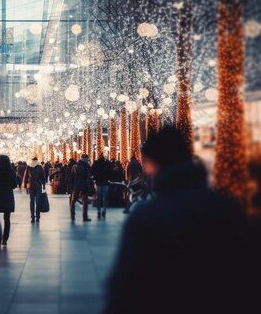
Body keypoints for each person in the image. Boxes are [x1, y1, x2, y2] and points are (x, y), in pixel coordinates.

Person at [105, 127, 249, 314]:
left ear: (156, 163)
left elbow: (127, 285)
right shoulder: (227, 207)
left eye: (147, 163)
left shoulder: (148, 216)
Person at [69, 154, 92, 222]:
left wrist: (72, 187)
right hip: (84, 185)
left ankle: (72, 215)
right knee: (84, 201)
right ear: (85, 159)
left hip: (76, 186)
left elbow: (71, 177)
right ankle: (85, 217)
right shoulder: (86, 166)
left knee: (73, 201)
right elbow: (89, 176)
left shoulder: (75, 166)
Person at [23, 157, 46, 223]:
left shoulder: (28, 167)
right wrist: (44, 186)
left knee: (32, 202)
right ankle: (38, 217)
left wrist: (25, 186)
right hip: (38, 186)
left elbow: (26, 177)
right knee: (38, 202)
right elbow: (43, 177)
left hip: (31, 186)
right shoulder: (40, 167)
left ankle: (32, 217)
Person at [92, 154, 114, 219]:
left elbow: (92, 172)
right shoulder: (107, 163)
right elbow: (111, 172)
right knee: (105, 198)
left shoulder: (96, 163)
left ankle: (98, 211)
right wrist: (110, 179)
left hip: (98, 183)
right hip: (105, 183)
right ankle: (104, 211)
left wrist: (95, 178)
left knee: (98, 198)